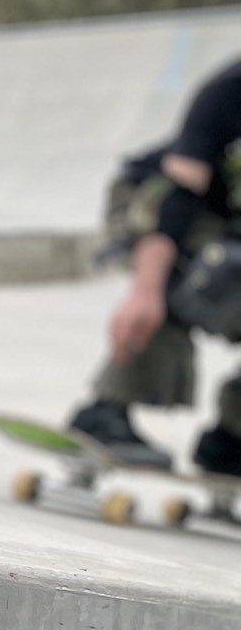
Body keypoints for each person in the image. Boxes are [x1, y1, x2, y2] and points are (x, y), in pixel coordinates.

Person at [69, 57, 241, 474]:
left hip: (224, 226)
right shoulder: (228, 91)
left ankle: (233, 438)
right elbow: (174, 199)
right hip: (155, 203)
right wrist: (147, 292)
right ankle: (105, 413)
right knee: (215, 277)